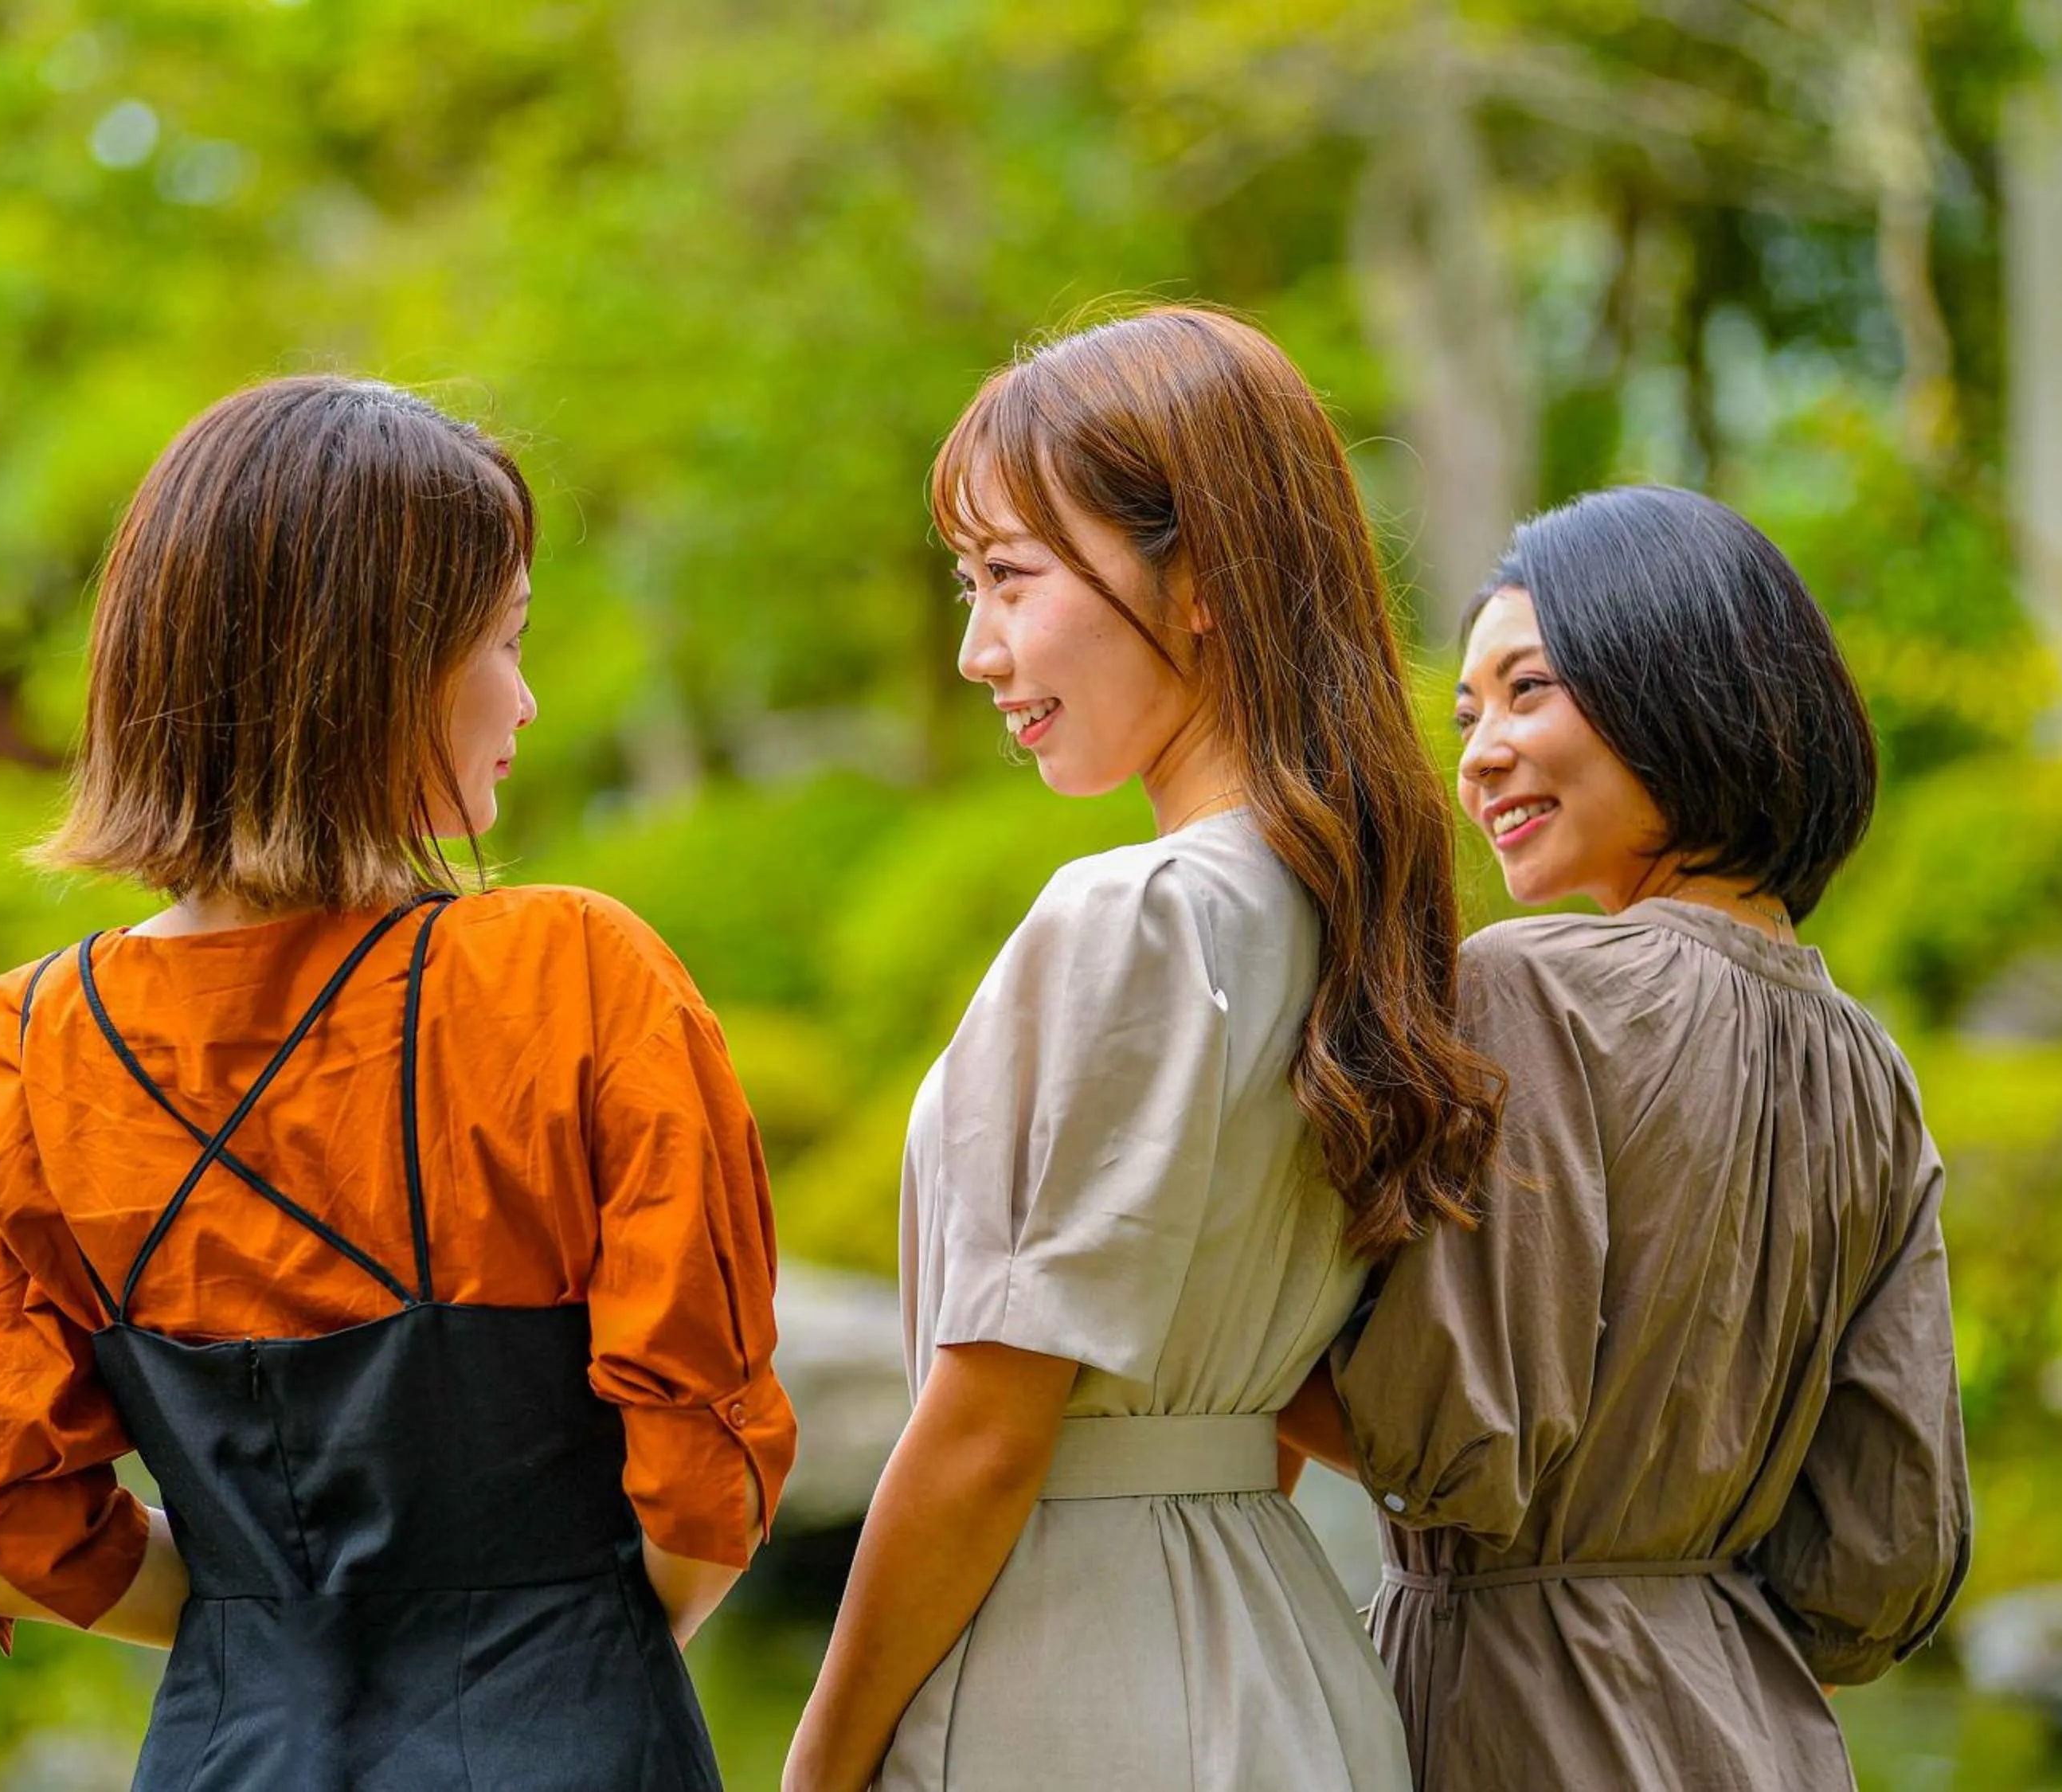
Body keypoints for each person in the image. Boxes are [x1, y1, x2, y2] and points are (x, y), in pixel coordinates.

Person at [0, 376, 795, 1790]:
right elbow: (704, 1476)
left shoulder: (39, 1046)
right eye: (505, 641)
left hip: (232, 1748)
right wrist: (565, 1646)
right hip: (571, 1731)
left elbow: (22, 1526)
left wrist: (265, 1627)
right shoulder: (577, 976)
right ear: (379, 671)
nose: (530, 695)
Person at [782, 306, 1503, 1792]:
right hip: (1288, 1660)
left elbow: (988, 1425)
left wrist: (819, 1762)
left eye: (1009, 579)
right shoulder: (1338, 910)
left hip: (1076, 1672)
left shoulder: (1143, 913)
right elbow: (1281, 1393)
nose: (980, 649)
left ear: (1201, 584)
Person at [1294, 484, 1972, 1789]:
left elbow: (1445, 1446)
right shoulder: (1871, 1068)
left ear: (1680, 681)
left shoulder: (1527, 985)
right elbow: (1882, 1554)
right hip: (1759, 1727)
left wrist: (1188, 1360)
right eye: (1467, 712)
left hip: (1519, 1719)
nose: (1480, 750)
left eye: (1529, 688)